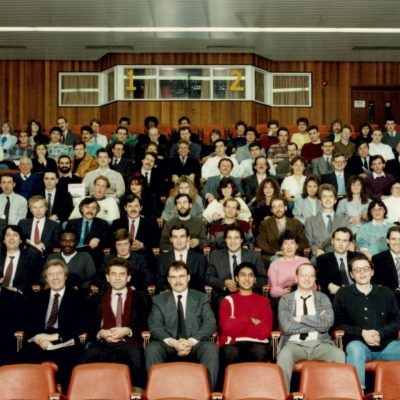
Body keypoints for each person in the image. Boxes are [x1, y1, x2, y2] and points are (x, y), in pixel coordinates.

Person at [145, 261, 219, 390]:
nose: (177, 281)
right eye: (173, 277)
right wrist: (174, 343)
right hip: (169, 345)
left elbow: (210, 323)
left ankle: (208, 392)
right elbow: (155, 327)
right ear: (168, 279)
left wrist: (190, 342)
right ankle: (157, 393)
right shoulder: (159, 300)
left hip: (195, 343)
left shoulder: (201, 298)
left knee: (210, 348)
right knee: (152, 348)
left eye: (181, 276)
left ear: (188, 277)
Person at [80, 258, 151, 390]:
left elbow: (145, 322)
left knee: (136, 358)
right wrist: (99, 332)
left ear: (128, 278)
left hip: (128, 343)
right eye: (113, 274)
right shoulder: (96, 298)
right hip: (102, 344)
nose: (117, 278)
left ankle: (136, 394)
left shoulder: (141, 298)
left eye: (122, 274)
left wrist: (128, 330)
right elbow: (88, 324)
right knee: (85, 359)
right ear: (107, 277)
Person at [333, 254, 400, 390]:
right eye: (357, 270)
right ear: (351, 274)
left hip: (386, 345)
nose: (362, 273)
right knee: (355, 349)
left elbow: (397, 320)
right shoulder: (343, 294)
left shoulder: (386, 293)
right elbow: (338, 324)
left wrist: (380, 334)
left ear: (372, 271)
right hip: (359, 345)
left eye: (365, 269)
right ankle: (357, 392)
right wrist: (362, 333)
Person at [21, 259, 89, 390]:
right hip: (39, 341)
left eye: (59, 273)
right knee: (22, 356)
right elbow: (27, 323)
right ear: (46, 278)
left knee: (69, 359)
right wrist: (37, 338)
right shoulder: (36, 298)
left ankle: (63, 394)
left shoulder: (78, 297)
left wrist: (55, 337)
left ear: (65, 276)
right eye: (51, 274)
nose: (55, 278)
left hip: (65, 341)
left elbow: (81, 324)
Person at [277, 263, 345, 392]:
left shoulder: (323, 298)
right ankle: (283, 395)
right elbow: (287, 327)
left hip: (320, 343)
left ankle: (336, 394)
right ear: (296, 278)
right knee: (283, 357)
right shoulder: (286, 299)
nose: (307, 278)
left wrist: (302, 319)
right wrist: (317, 322)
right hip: (293, 344)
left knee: (339, 355)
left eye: (311, 275)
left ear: (315, 279)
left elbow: (327, 324)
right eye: (303, 275)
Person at [219, 262, 273, 369]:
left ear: (255, 280)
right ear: (237, 278)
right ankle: (230, 386)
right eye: (243, 275)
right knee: (230, 352)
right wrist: (250, 321)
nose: (247, 278)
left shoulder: (263, 302)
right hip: (232, 344)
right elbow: (227, 328)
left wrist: (237, 322)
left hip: (257, 343)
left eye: (251, 275)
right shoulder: (228, 301)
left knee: (260, 351)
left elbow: (264, 331)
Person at [206, 225, 267, 306]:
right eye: (229, 238)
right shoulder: (215, 256)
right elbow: (208, 277)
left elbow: (263, 278)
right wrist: (224, 283)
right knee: (226, 305)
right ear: (225, 240)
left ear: (242, 240)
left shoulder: (254, 256)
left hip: (249, 292)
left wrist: (246, 285)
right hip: (224, 294)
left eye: (236, 238)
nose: (232, 241)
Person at [256, 197, 309, 264]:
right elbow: (261, 242)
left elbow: (304, 242)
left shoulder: (296, 223)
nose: (278, 209)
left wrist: (290, 251)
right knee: (280, 261)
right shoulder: (265, 224)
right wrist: (276, 251)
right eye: (274, 207)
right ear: (272, 210)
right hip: (274, 255)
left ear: (285, 208)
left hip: (294, 253)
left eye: (280, 206)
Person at [156, 224, 206, 292]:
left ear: (188, 238)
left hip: (193, 297)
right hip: (169, 296)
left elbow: (201, 281)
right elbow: (160, 281)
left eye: (182, 236)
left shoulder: (199, 258)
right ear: (171, 239)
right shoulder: (162, 258)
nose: (178, 240)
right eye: (175, 237)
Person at [304, 184, 349, 259]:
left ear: (335, 200)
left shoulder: (344, 220)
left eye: (331, 196)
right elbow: (308, 243)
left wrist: (350, 244)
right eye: (324, 196)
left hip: (340, 256)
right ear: (320, 201)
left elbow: (350, 240)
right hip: (319, 256)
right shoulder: (310, 221)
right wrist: (316, 250)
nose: (328, 199)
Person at [316, 227, 359, 301]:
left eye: (345, 241)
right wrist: (329, 285)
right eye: (338, 240)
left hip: (357, 293)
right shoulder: (323, 259)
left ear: (349, 243)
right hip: (335, 295)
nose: (341, 244)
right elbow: (322, 277)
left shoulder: (358, 257)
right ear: (332, 241)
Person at [65, 197, 109, 266]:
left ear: (97, 211)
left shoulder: (102, 223)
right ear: (82, 209)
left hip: (92, 256)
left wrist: (98, 239)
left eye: (93, 208)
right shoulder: (72, 223)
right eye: (87, 207)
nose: (90, 210)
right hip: (74, 254)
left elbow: (107, 240)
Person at [0, 224, 42, 293]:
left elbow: (34, 282)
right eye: (8, 235)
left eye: (15, 235)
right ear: (4, 240)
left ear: (21, 240)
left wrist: (17, 290)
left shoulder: (31, 258)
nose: (11, 238)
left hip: (19, 297)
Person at [268, 230, 309, 300]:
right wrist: (283, 292)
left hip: (304, 295)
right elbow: (273, 290)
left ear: (296, 246)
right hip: (282, 297)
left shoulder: (305, 262)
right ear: (281, 247)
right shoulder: (274, 265)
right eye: (285, 243)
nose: (289, 246)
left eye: (292, 243)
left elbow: (312, 284)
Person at [372, 226, 400, 306]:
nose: (397, 242)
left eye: (399, 239)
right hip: (389, 299)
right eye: (393, 239)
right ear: (387, 240)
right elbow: (376, 283)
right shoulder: (378, 259)